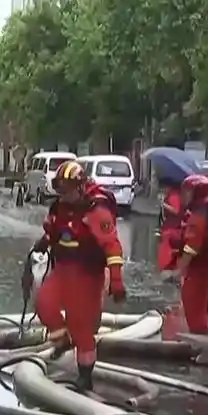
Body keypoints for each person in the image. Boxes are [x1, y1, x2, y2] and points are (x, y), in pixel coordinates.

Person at [32, 160, 126, 392]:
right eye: (60, 189)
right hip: (63, 270)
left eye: (67, 189)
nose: (63, 195)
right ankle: (63, 340)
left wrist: (116, 280)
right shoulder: (60, 207)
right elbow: (54, 230)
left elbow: (112, 246)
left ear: (80, 186)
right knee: (44, 304)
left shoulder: (96, 210)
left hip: (88, 275)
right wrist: (44, 242)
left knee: (82, 327)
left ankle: (85, 376)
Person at [164, 174, 208, 356]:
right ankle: (207, 348)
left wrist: (177, 271)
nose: (184, 196)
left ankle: (203, 350)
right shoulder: (207, 209)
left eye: (187, 192)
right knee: (207, 308)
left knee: (194, 307)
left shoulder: (200, 213)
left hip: (198, 269)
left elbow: (192, 245)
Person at [156, 179, 185, 272]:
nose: (162, 190)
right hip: (169, 226)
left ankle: (166, 267)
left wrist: (163, 204)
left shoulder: (174, 196)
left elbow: (176, 211)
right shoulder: (171, 195)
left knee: (166, 249)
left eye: (163, 188)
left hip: (172, 228)